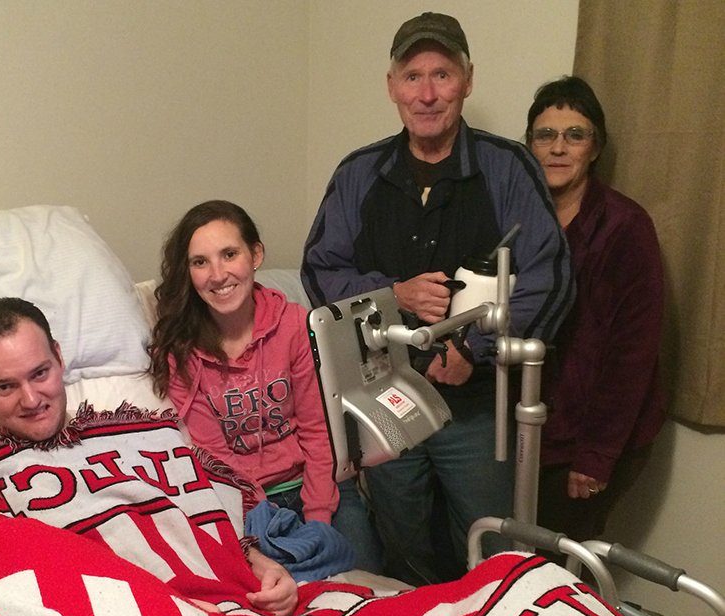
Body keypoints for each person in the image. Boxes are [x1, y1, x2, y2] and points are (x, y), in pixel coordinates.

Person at [301, 12, 573, 584]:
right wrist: (392, 294)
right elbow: (320, 270)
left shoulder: (507, 168)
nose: (427, 94)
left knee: (495, 552)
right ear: (392, 87)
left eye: (442, 75)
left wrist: (475, 349)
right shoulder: (359, 173)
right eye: (413, 77)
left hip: (475, 408)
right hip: (384, 398)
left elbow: (550, 278)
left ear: (467, 81)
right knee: (403, 551)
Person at [0, 296, 298, 616]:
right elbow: (6, 597)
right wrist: (160, 605)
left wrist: (263, 568)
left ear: (58, 357)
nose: (31, 400)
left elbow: (211, 518)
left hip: (238, 607)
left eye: (40, 373)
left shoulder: (150, 436)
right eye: (5, 387)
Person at [149, 200, 382, 573]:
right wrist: (262, 523)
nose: (218, 275)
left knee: (366, 582)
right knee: (278, 594)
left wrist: (317, 522)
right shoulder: (180, 350)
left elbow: (317, 430)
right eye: (200, 262)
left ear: (255, 255)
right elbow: (215, 455)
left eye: (229, 254)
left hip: (317, 485)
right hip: (246, 504)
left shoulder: (294, 326)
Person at [525, 76, 665, 544]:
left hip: (594, 438)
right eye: (546, 135)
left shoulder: (626, 227)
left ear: (595, 147)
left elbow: (633, 353)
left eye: (575, 135)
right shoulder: (518, 221)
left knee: (560, 566)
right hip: (533, 430)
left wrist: (596, 456)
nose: (558, 148)